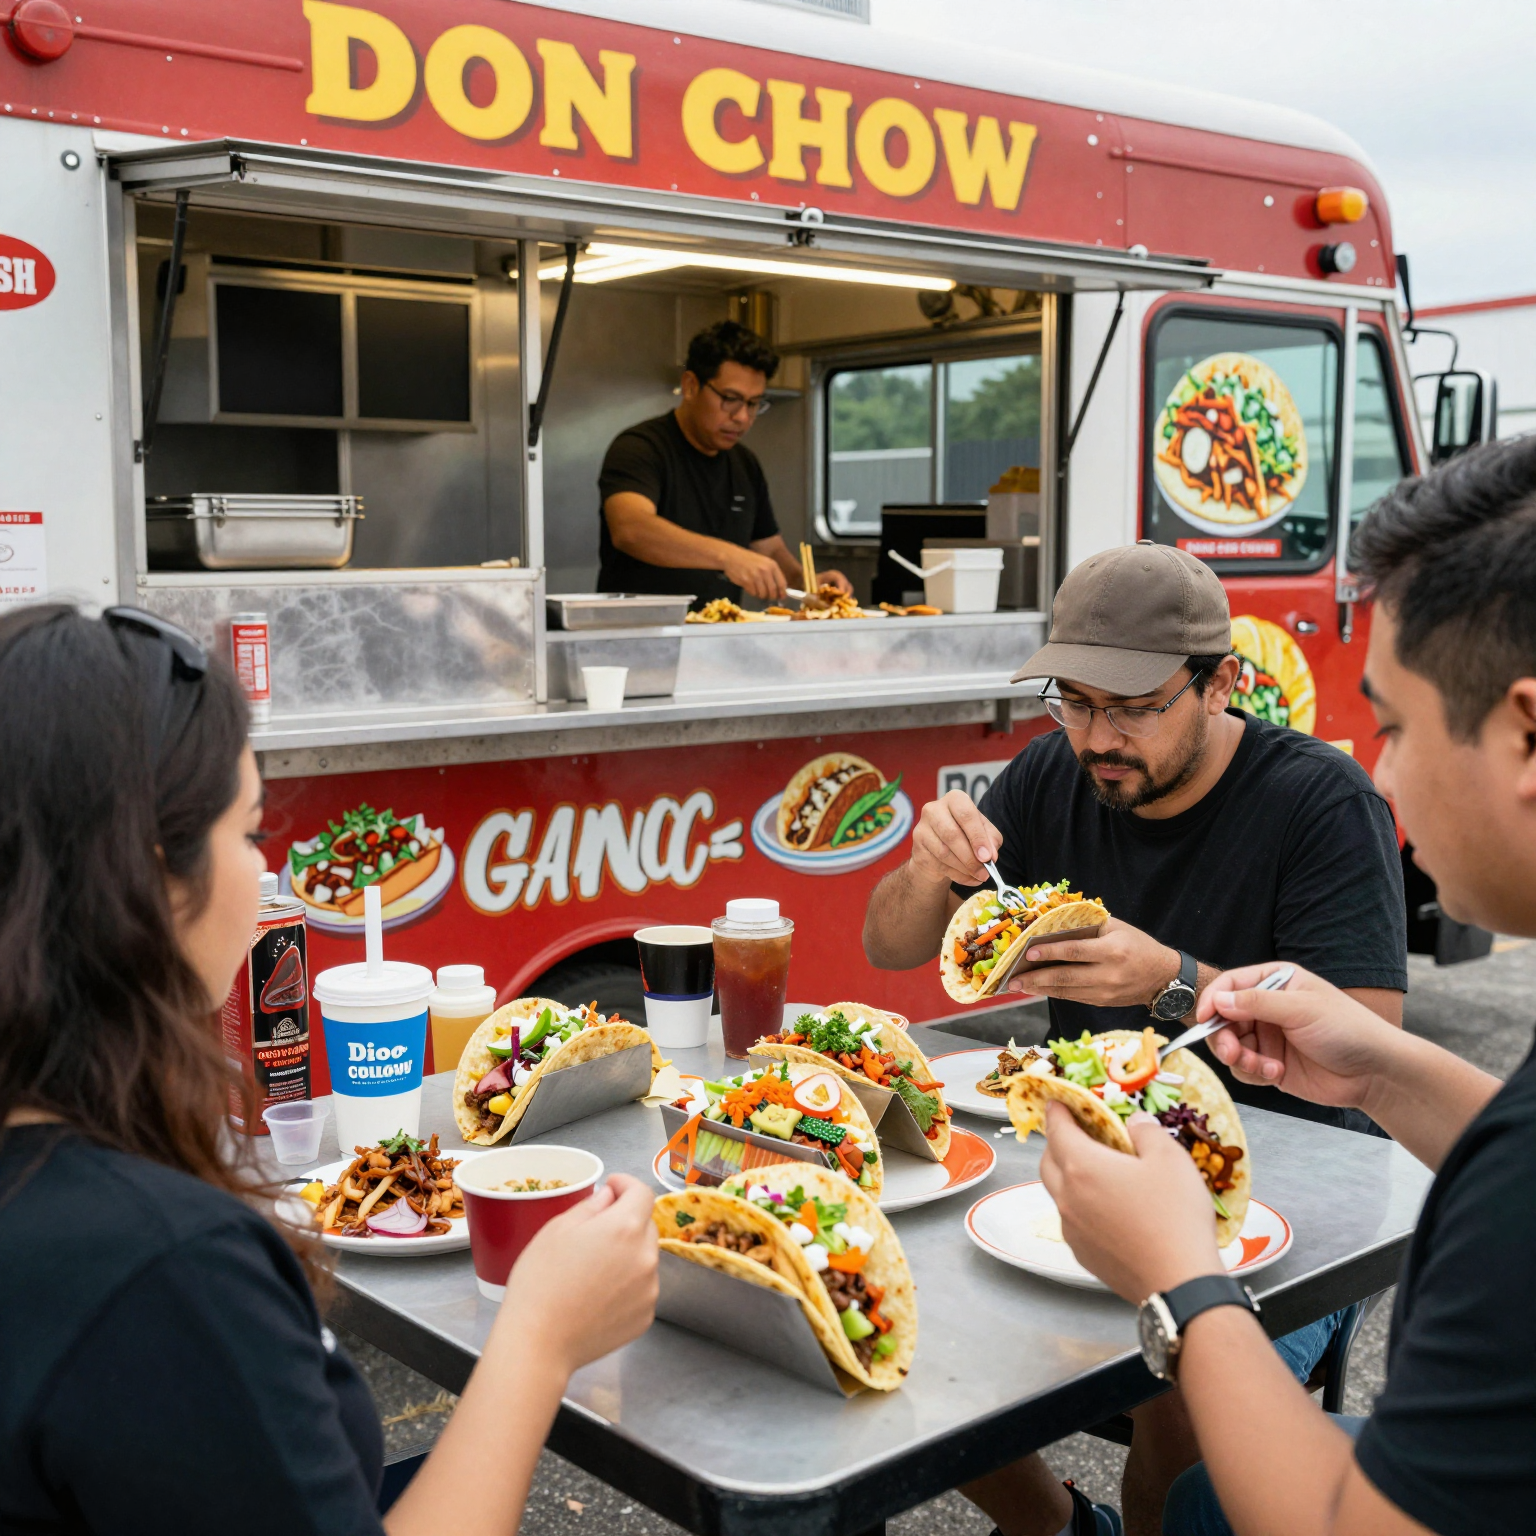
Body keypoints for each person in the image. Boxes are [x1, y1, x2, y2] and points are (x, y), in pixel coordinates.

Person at [0, 604, 658, 1535]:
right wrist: (542, 1338)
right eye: (250, 833)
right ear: (153, 878)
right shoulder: (166, 1272)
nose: (261, 870)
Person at [863, 543, 1408, 1536]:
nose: (1097, 737)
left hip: (1290, 1203)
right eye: (1072, 702)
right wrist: (928, 867)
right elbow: (889, 943)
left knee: (1177, 1394)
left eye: (1134, 707)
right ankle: (1057, 1528)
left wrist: (1173, 982)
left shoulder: (1321, 802)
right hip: (1088, 1158)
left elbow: (1373, 1052)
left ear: (1221, 683)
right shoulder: (1049, 774)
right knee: (885, 1313)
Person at [1044, 436, 1536, 1536]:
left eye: (1397, 727)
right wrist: (1382, 1072)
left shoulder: (1316, 802)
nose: (1385, 773)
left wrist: (1179, 1277)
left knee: (1200, 1495)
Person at [598, 319, 851, 607]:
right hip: (638, 637)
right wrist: (728, 556)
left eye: (754, 403)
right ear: (691, 386)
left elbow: (768, 549)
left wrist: (806, 582)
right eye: (731, 399)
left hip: (718, 637)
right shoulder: (641, 448)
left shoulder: (745, 464)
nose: (742, 417)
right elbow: (631, 529)